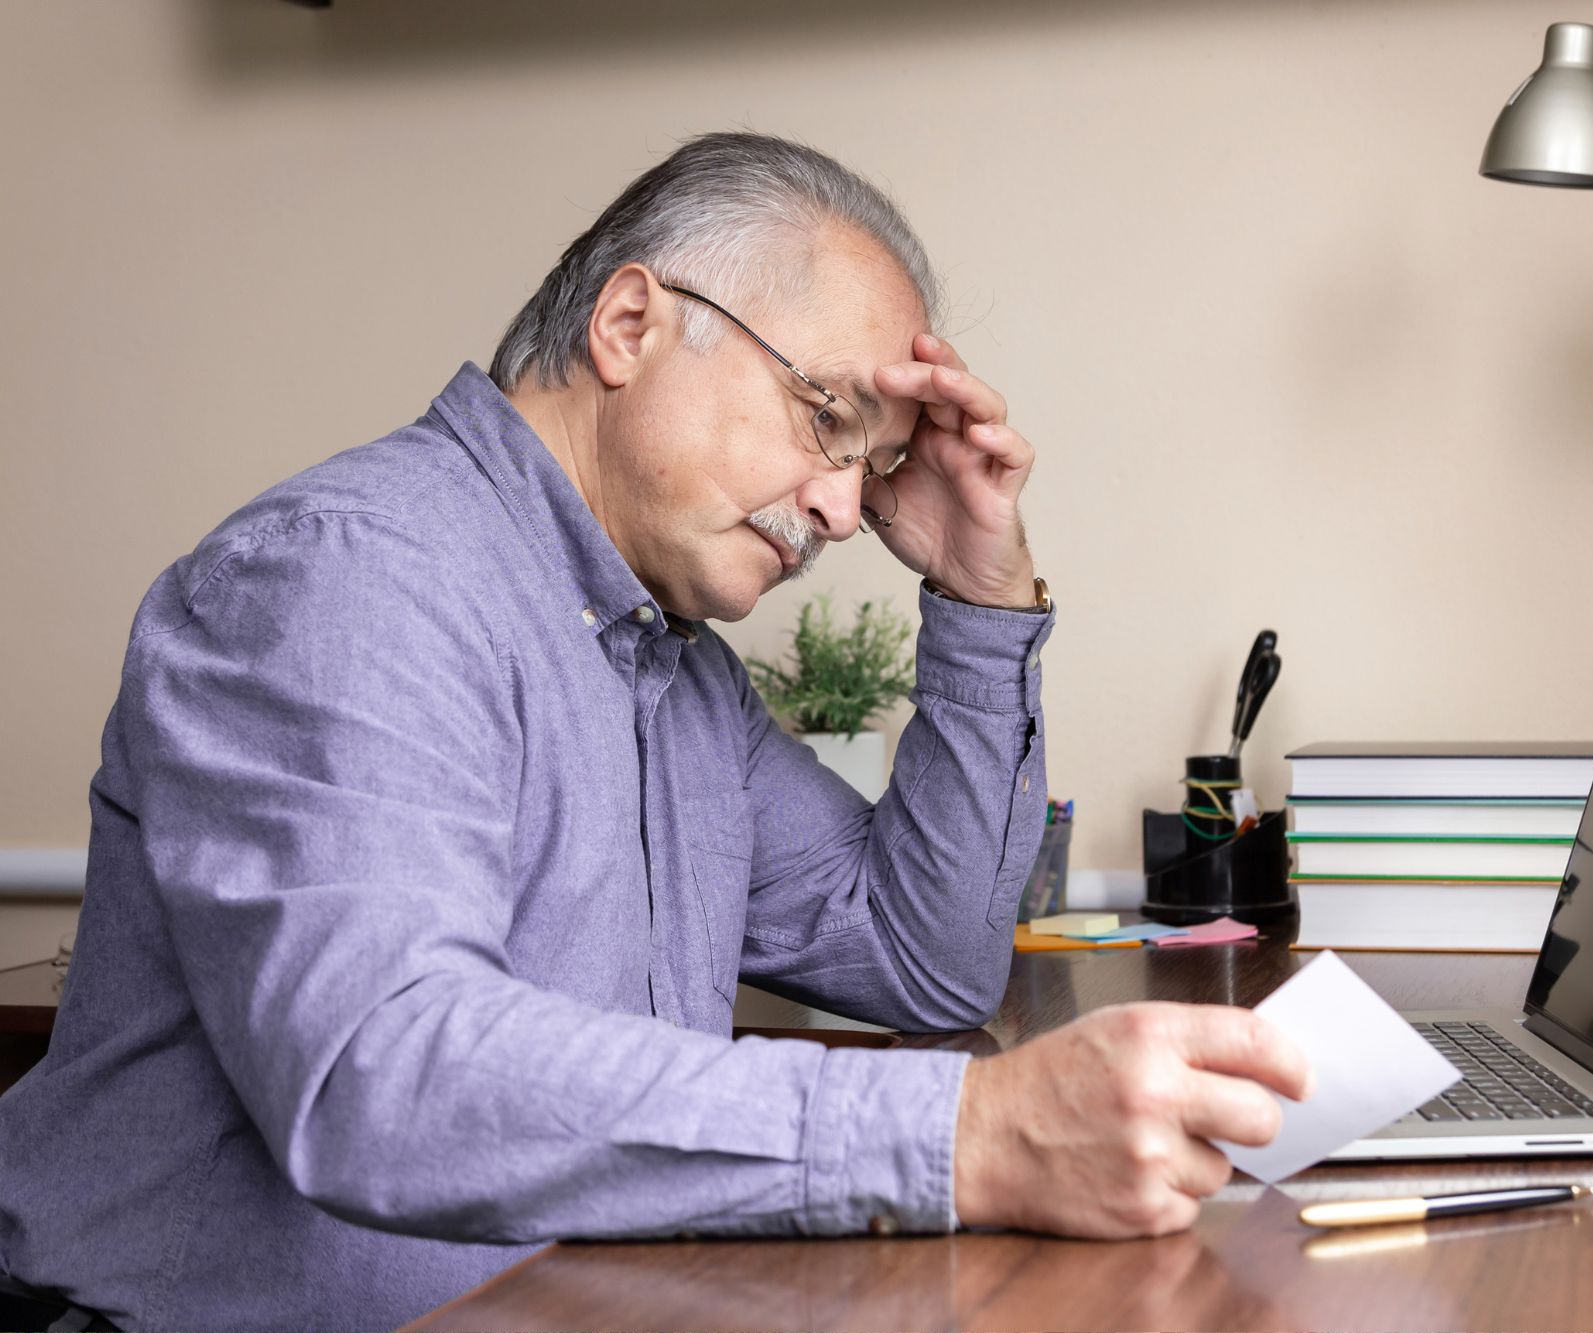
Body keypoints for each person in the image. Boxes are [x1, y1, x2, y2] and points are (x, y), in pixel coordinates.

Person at [0, 133, 1309, 1332]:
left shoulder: (681, 675)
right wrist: (970, 1132)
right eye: (825, 419)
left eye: (878, 463)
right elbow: (376, 1076)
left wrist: (976, 596)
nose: (845, 508)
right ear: (630, 322)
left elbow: (929, 962)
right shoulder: (343, 577)